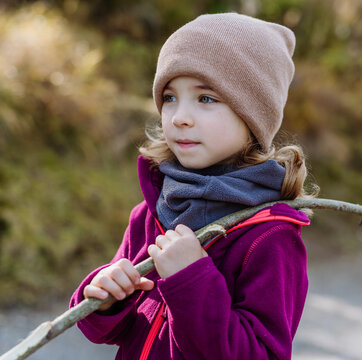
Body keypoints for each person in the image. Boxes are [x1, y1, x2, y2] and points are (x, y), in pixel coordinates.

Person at [70, 12, 316, 360]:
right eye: (170, 97)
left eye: (205, 99)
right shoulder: (153, 211)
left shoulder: (269, 237)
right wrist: (105, 298)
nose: (180, 116)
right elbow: (114, 330)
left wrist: (191, 280)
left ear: (253, 116)